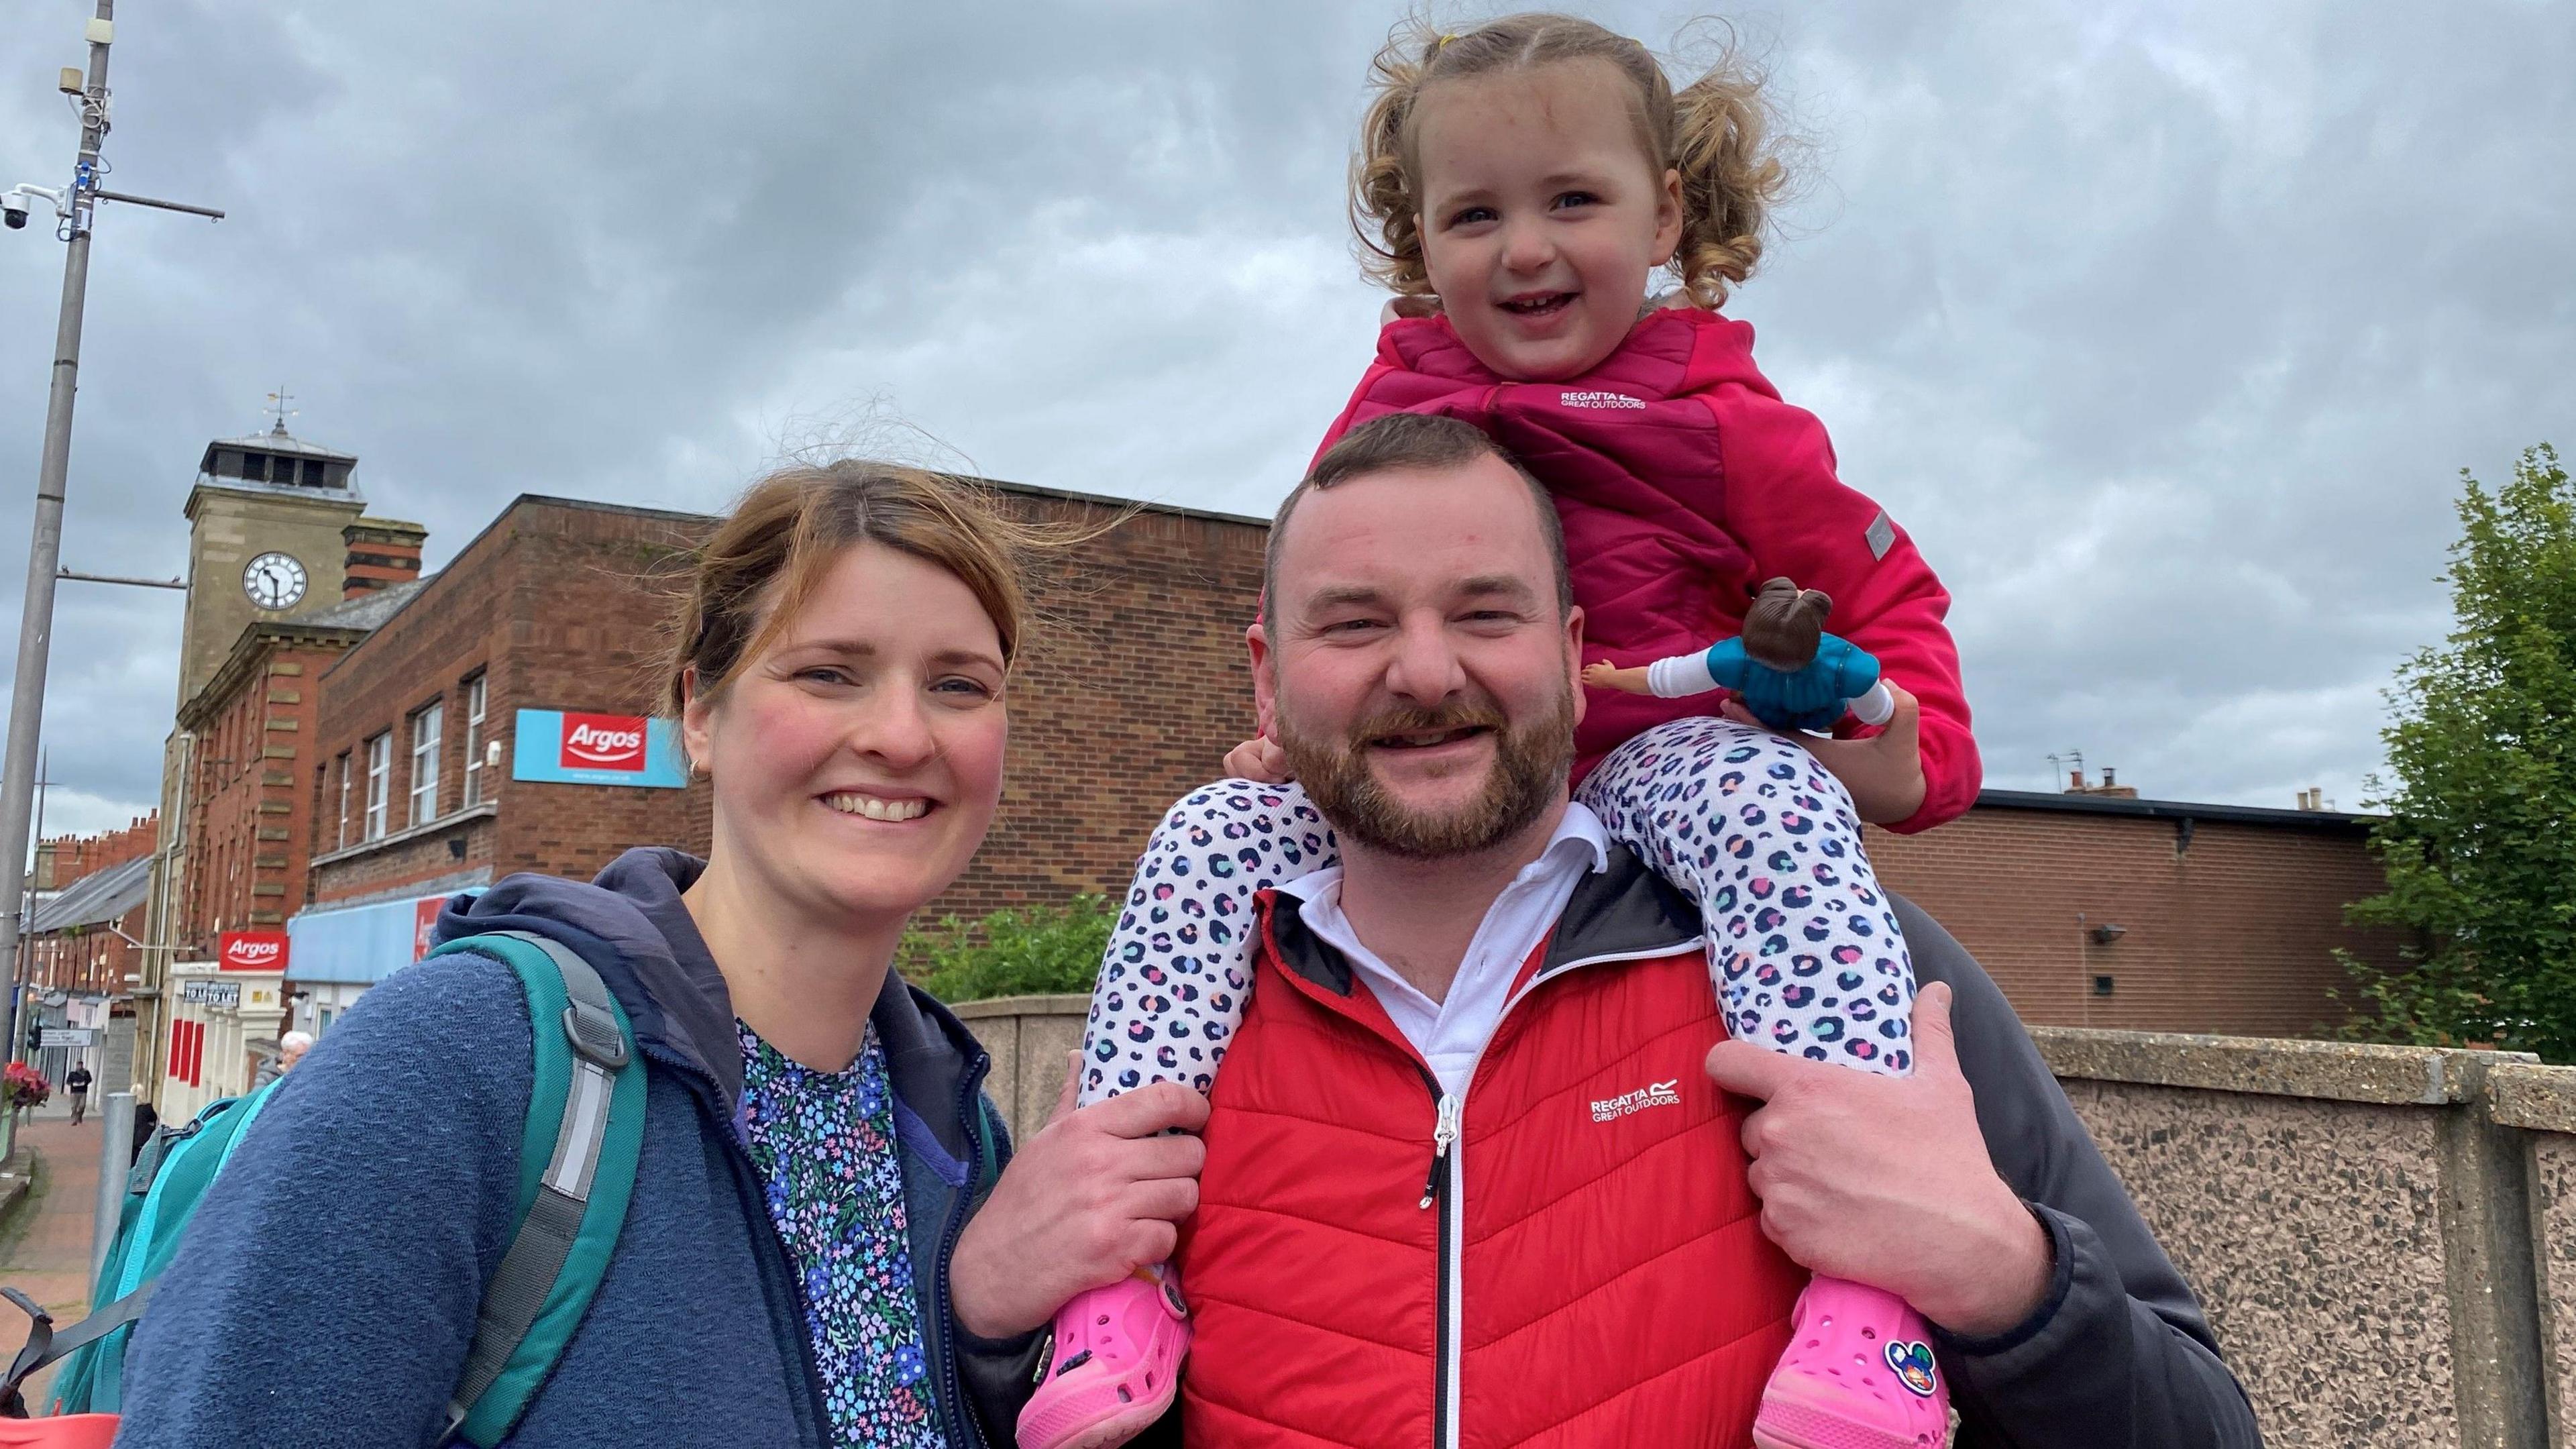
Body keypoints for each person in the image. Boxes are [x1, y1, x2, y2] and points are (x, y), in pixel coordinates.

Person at [1035, 15, 1976, 1446]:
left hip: (1655, 762)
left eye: (1572, 202)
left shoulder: (1731, 425)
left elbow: (1886, 597)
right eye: (1476, 214)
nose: (1524, 250)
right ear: (1421, 240)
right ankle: (1115, 1282)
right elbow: (1331, 582)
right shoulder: (1391, 399)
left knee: (1775, 812)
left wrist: (1903, 744)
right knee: (1206, 836)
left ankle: (1867, 1309)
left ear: (1666, 209)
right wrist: (1299, 731)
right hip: (1433, 808)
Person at [1077, 417, 2252, 1445]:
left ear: (1581, 662)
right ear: (1267, 681)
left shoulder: (1843, 959)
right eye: (1353, 624)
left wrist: (2008, 1282)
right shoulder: (1184, 1007)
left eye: (1488, 612)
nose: (1427, 671)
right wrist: (982, 1331)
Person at [113, 462, 1203, 1448]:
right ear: (699, 710)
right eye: (830, 672)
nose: (905, 735)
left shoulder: (956, 1128)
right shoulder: (458, 1072)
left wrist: (978, 1330)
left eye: (960, 684)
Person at [64, 1062, 91, 1126]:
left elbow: (89, 1080)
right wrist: (73, 1084)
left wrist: (85, 1083)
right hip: (74, 1092)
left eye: (81, 1064)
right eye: (78, 1064)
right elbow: (68, 1081)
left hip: (83, 1091)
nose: (80, 1066)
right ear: (76, 1065)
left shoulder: (86, 1072)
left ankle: (79, 1116)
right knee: (74, 1106)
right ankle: (74, 1120)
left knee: (82, 1106)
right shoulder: (72, 1073)